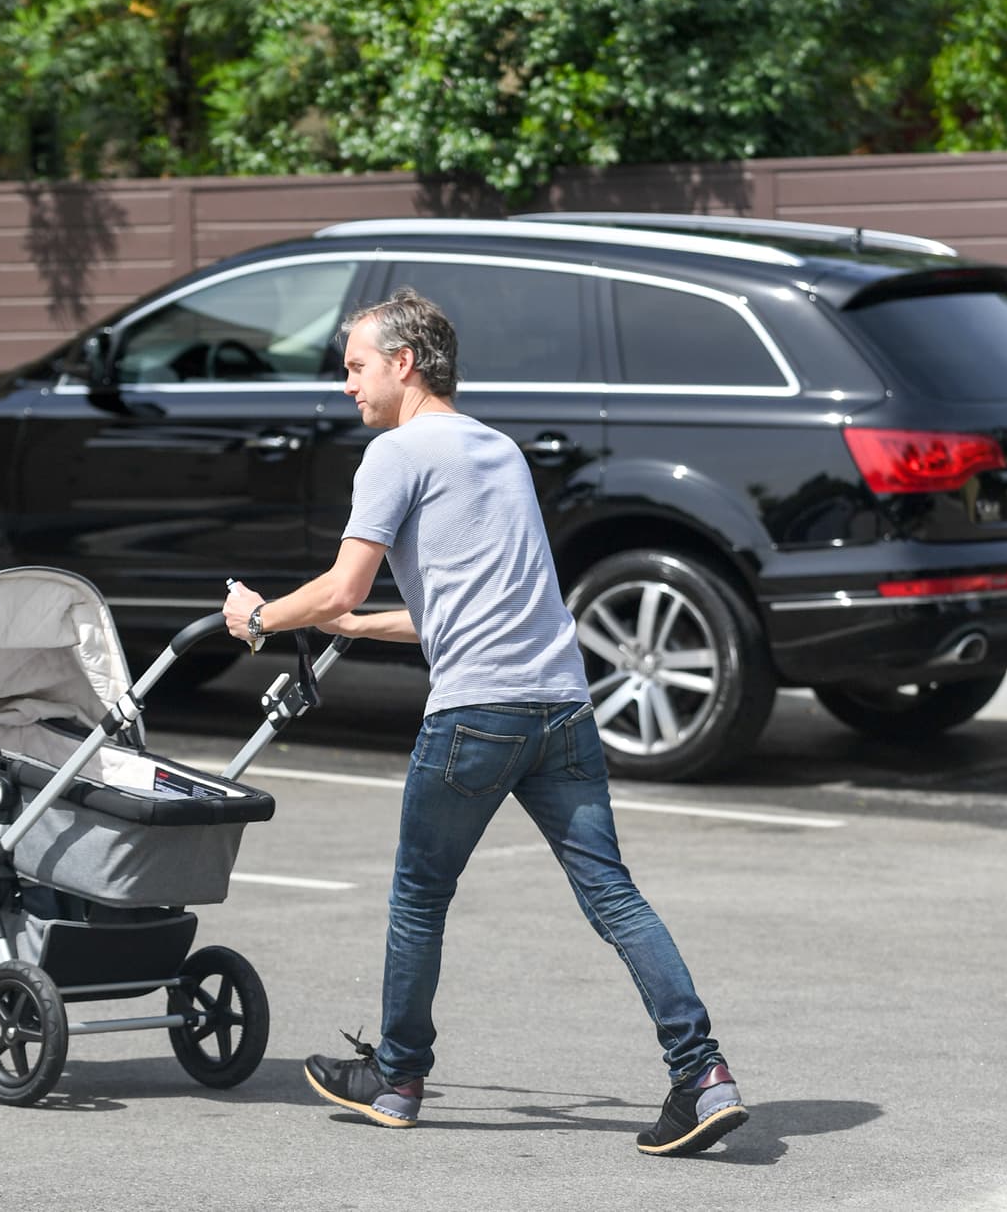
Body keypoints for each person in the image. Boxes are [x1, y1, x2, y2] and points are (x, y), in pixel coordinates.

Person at [222, 289, 747, 1154]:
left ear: (405, 363)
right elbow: (460, 607)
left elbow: (343, 582)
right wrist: (352, 627)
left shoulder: (395, 454)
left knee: (420, 898)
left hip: (476, 715)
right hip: (562, 705)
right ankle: (704, 1074)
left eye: (355, 366)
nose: (346, 385)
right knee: (612, 893)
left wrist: (260, 617)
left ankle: (395, 1078)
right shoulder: (499, 450)